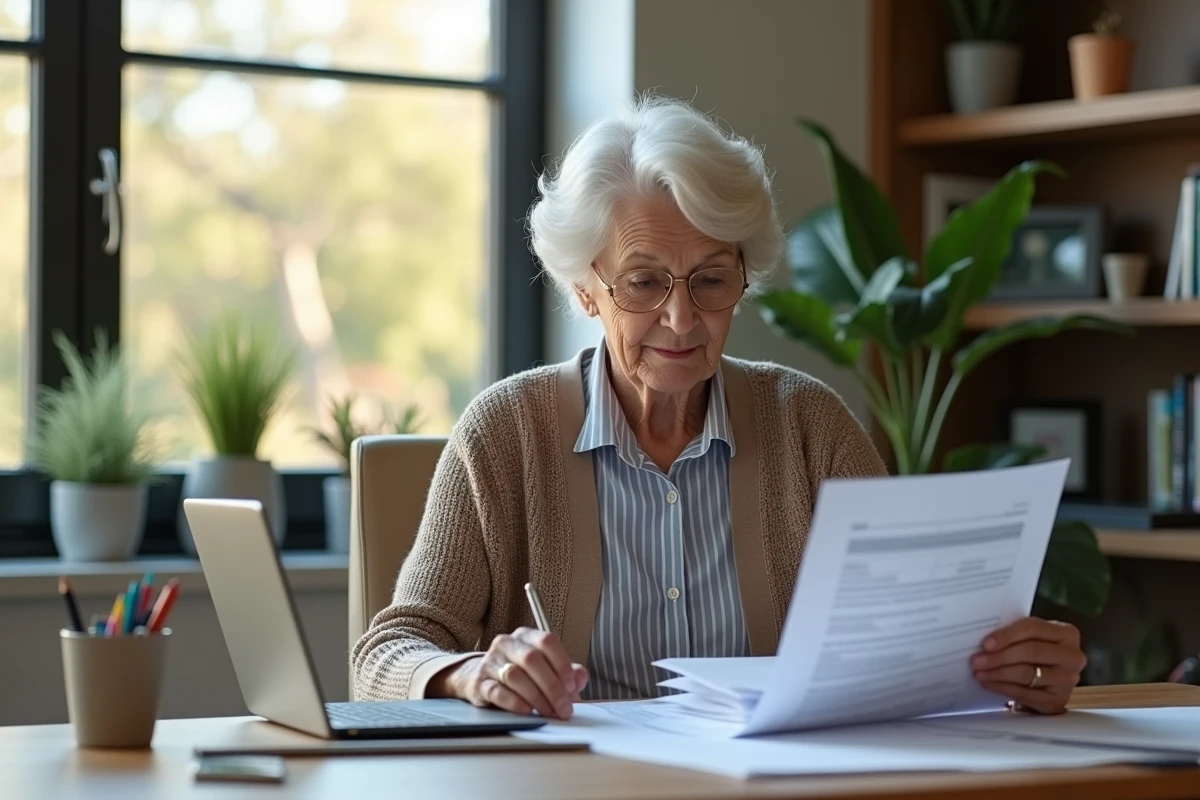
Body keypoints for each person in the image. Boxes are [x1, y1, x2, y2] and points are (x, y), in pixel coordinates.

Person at [352, 96, 1086, 721]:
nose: (682, 318)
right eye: (643, 283)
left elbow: (906, 652)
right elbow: (386, 653)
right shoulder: (503, 434)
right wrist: (471, 673)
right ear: (584, 290)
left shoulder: (811, 426)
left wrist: (1014, 672)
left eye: (710, 279)